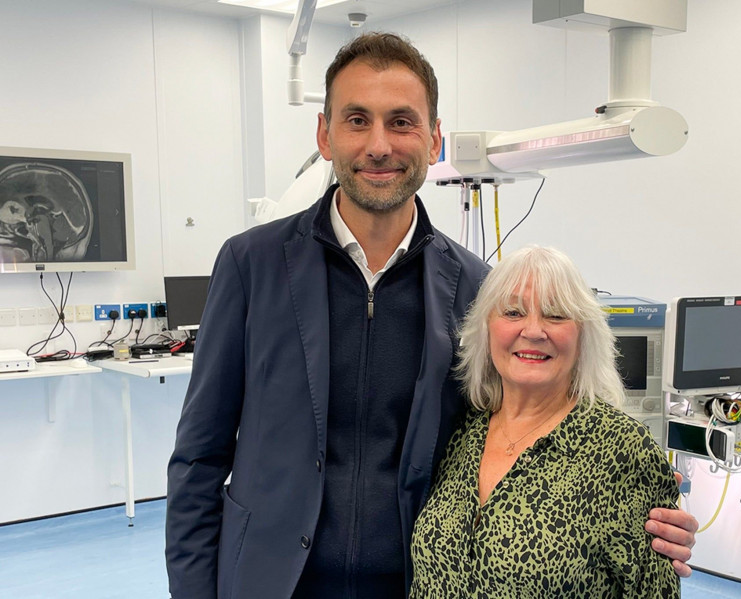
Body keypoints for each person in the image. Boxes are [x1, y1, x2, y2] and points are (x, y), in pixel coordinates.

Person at [165, 32, 696, 599]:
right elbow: (199, 456)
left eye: (401, 122)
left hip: (414, 584)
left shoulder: (474, 287)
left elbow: (515, 424)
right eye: (356, 120)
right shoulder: (252, 265)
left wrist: (639, 509)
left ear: (434, 138)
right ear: (324, 134)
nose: (378, 145)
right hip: (270, 582)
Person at [411, 246, 681, 598]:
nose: (534, 330)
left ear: (584, 336)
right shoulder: (459, 429)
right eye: (513, 312)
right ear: (485, 328)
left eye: (555, 315)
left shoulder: (623, 450)